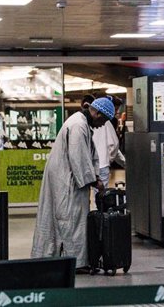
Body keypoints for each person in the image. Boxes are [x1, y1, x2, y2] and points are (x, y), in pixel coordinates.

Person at [31, 97, 115, 271]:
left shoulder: (81, 122)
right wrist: (94, 180)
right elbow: (79, 157)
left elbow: (88, 155)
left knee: (62, 218)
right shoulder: (78, 125)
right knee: (71, 219)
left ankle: (55, 257)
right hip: (68, 181)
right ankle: (75, 262)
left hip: (66, 177)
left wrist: (95, 176)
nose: (102, 125)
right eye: (103, 121)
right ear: (97, 113)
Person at [92, 96, 125, 187]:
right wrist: (110, 159)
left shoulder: (88, 123)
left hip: (91, 165)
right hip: (102, 163)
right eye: (115, 109)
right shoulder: (106, 122)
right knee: (101, 195)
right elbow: (114, 145)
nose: (115, 112)